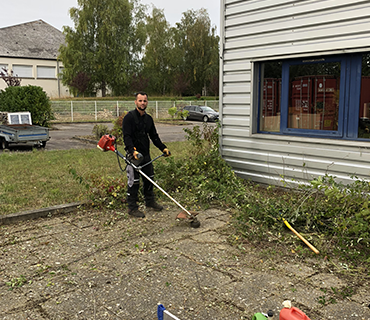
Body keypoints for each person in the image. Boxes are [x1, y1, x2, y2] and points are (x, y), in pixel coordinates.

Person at [122, 92, 170, 218]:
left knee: (149, 178)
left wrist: (163, 148)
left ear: (147, 102)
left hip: (146, 155)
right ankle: (132, 208)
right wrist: (132, 151)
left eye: (144, 101)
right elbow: (126, 137)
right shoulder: (129, 118)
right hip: (134, 155)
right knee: (134, 181)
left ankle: (150, 202)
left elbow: (154, 136)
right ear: (135, 102)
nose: (142, 103)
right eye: (140, 100)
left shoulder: (148, 119)